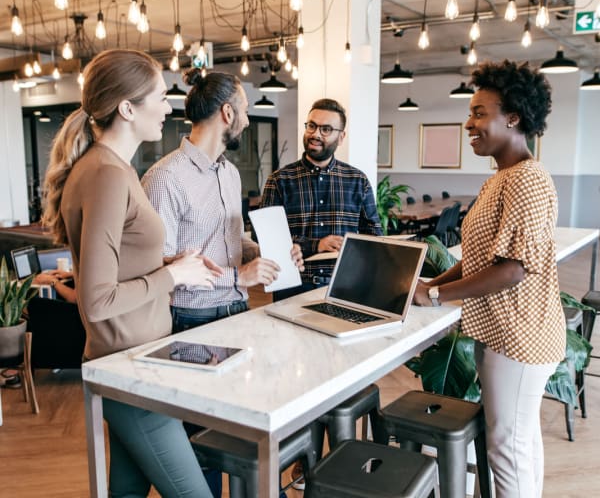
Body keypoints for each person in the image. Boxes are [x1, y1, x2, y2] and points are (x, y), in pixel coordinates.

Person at [42, 49, 222, 498]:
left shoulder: (113, 168)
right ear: (127, 107)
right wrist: (174, 277)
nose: (169, 107)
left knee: (125, 493)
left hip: (138, 362)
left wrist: (172, 264)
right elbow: (97, 299)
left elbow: (117, 266)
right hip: (130, 369)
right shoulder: (105, 173)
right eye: (161, 97)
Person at [412, 60, 565, 498]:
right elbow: (482, 256)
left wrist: (437, 294)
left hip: (519, 338)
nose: (469, 123)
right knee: (520, 441)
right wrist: (431, 285)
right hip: (509, 334)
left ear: (512, 118)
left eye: (480, 112)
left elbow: (512, 269)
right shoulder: (504, 177)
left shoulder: (527, 181)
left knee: (506, 447)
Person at [142, 69, 304, 334]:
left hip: (238, 308)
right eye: (246, 111)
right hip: (191, 318)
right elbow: (160, 267)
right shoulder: (166, 178)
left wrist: (270, 255)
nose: (248, 121)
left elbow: (234, 240)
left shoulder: (230, 174)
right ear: (228, 113)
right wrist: (238, 276)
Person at [261, 98, 382, 301]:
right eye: (312, 126)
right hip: (293, 287)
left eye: (326, 129)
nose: (316, 134)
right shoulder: (279, 180)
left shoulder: (357, 180)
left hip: (346, 285)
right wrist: (315, 245)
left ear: (341, 137)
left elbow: (375, 237)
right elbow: (266, 240)